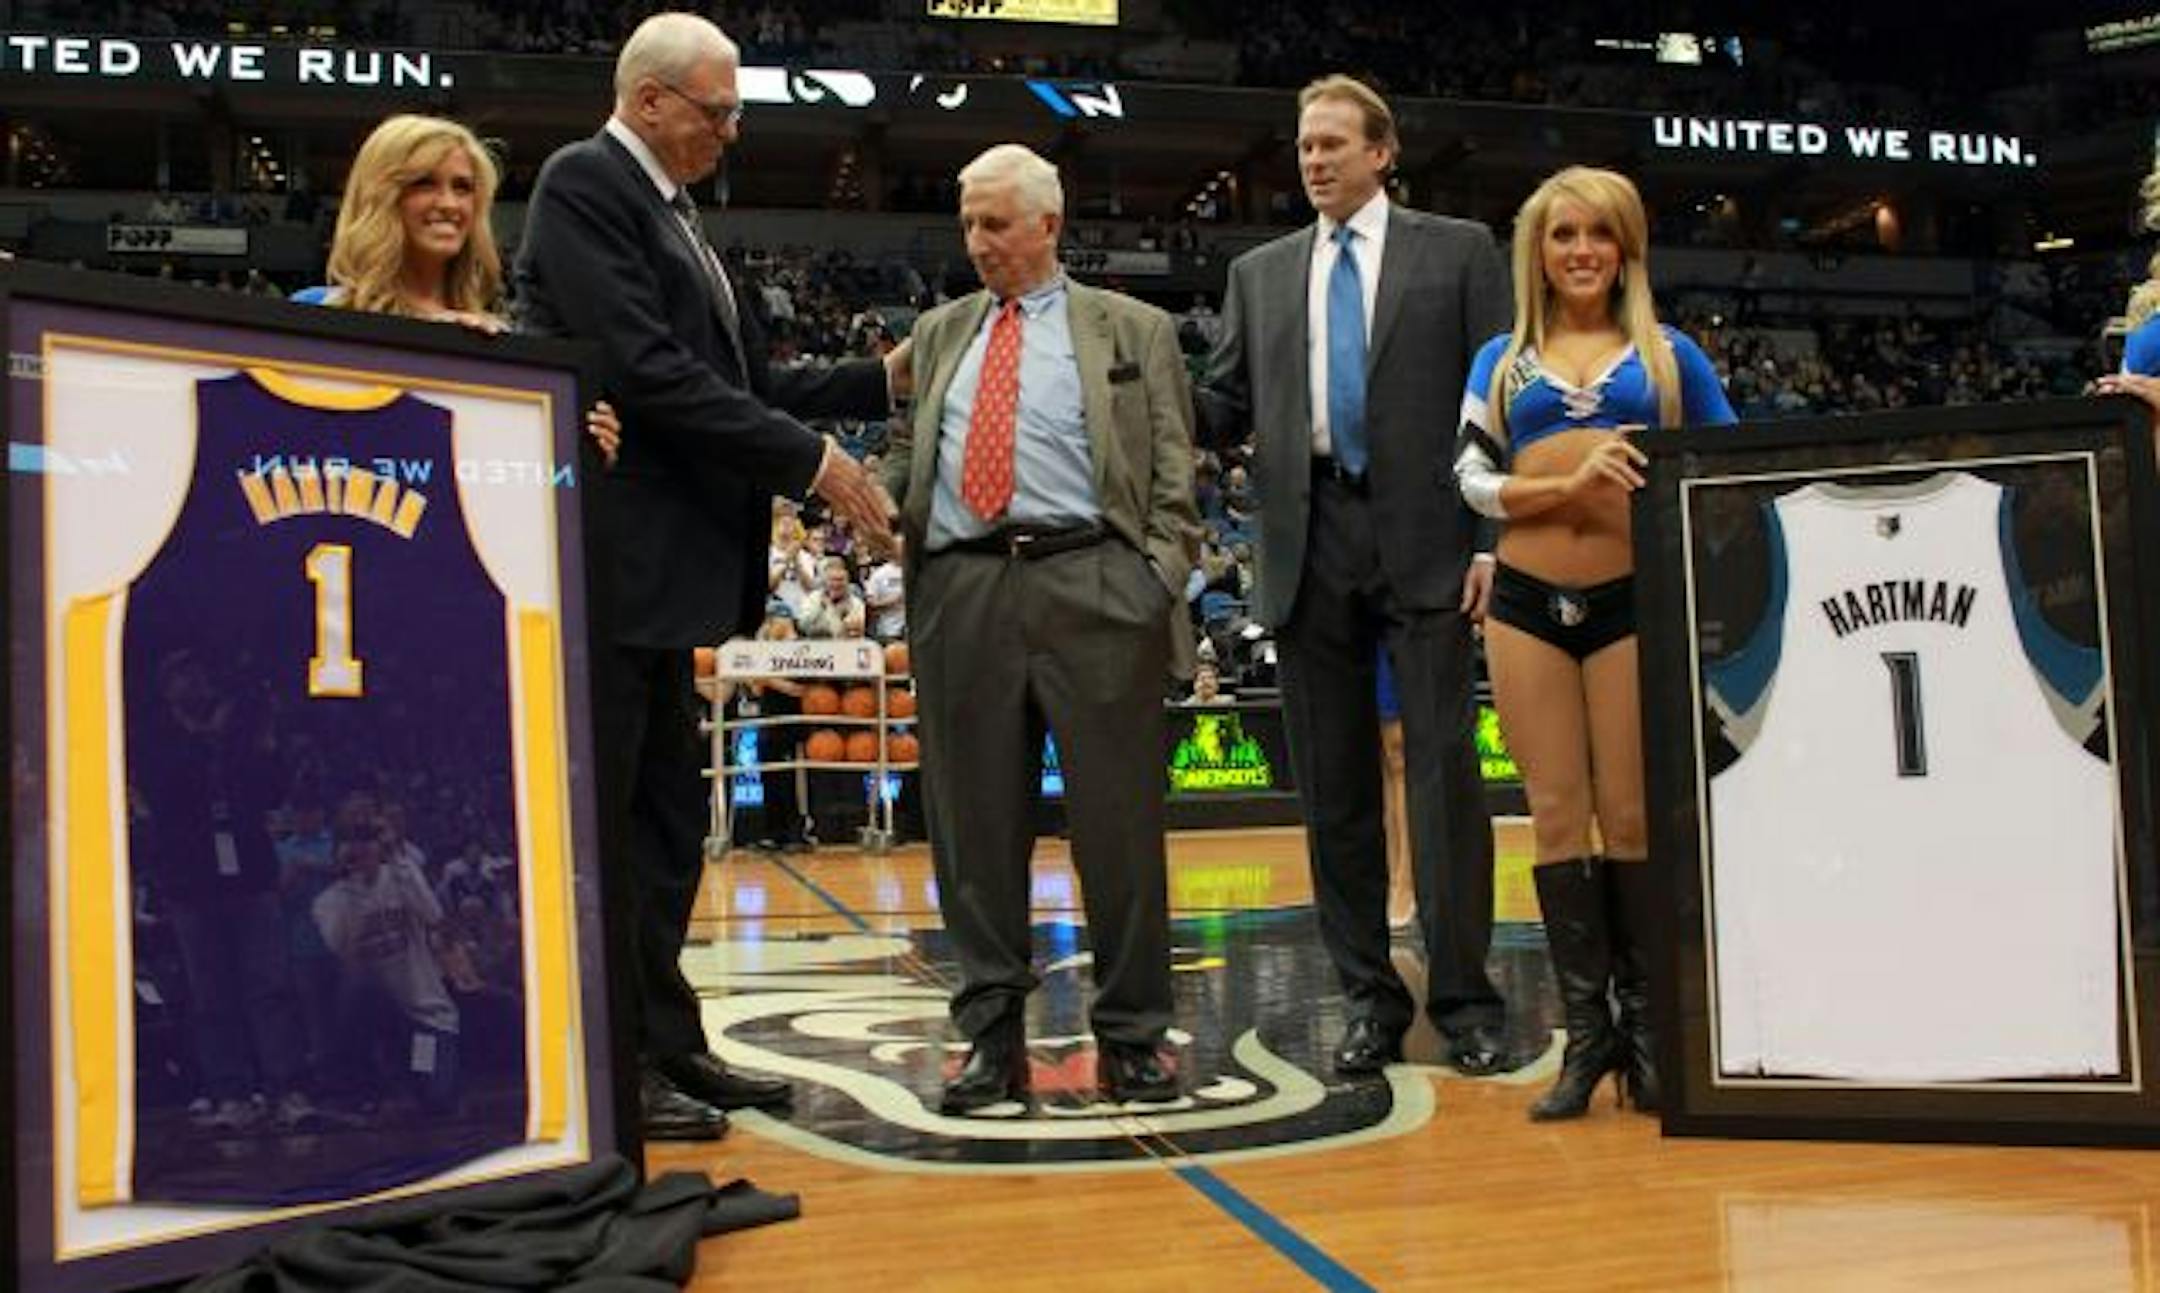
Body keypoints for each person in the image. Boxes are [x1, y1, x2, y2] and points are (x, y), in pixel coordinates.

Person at [513, 12, 905, 1141]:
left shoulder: (675, 212)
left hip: (666, 578)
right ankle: (614, 1064)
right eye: (717, 111)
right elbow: (648, 371)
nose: (730, 133)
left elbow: (747, 379)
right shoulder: (586, 185)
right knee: (615, 831)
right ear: (649, 100)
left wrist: (876, 383)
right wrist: (813, 464)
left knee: (668, 826)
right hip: (615, 563)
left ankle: (667, 1043)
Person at [1196, 74, 1514, 1078]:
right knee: (1334, 788)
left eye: (1333, 143)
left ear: (1382, 152)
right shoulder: (1259, 273)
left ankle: (1465, 1001)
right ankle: (1369, 1000)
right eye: (1304, 146)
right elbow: (1219, 404)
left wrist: (1490, 538)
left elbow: (1499, 396)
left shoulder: (1459, 251)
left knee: (1445, 776)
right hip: (1308, 536)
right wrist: (1129, 375)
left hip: (1429, 531)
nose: (1314, 159)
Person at [883, 143, 1200, 1111]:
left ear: (1049, 225)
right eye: (968, 224)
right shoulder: (937, 331)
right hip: (964, 587)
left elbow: (1174, 468)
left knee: (1119, 825)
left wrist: (1155, 578)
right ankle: (990, 1040)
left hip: (1095, 580)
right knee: (972, 830)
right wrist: (885, 509)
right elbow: (908, 451)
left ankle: (1135, 1036)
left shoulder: (1135, 328)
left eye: (995, 224)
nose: (977, 242)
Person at [1454, 165, 1735, 1119]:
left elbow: (1732, 470)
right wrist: (1567, 488)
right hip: (1525, 602)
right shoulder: (1500, 359)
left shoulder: (1670, 356)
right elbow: (1471, 480)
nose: (1581, 250)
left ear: (1627, 249)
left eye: (1599, 233)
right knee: (1555, 815)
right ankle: (1588, 1036)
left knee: (1633, 815)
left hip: (1635, 600)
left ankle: (1650, 1035)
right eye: (1563, 233)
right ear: (1537, 250)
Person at [291, 114, 622, 462]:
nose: (449, 204)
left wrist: (578, 448)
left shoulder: (503, 345)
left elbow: (507, 470)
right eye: (424, 184)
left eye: (463, 188)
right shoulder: (317, 314)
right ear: (381, 196)